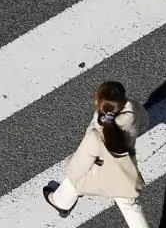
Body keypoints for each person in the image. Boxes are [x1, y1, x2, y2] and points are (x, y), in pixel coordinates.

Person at [43, 81, 151, 227]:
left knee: (74, 182)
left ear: (98, 102)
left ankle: (62, 203)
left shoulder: (96, 134)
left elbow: (78, 167)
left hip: (98, 170)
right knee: (130, 207)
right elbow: (145, 123)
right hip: (124, 172)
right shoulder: (134, 109)